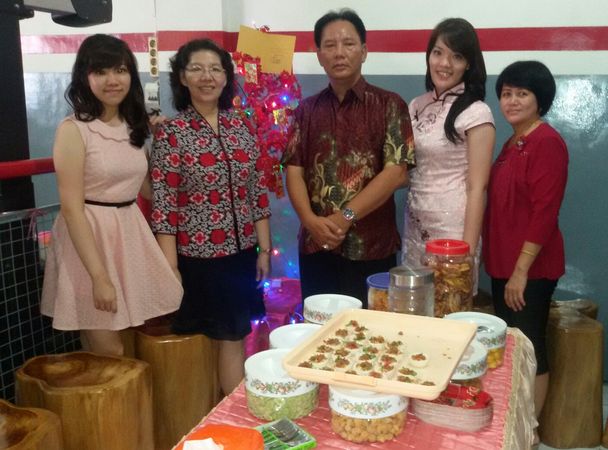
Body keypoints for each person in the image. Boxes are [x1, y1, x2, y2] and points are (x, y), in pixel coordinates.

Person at [40, 34, 183, 355]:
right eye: (100, 71)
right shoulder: (73, 130)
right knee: (110, 349)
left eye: (120, 70)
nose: (112, 80)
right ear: (84, 77)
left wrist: (162, 143)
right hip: (88, 240)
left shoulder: (132, 126)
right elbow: (72, 208)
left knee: (114, 345)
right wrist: (98, 276)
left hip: (127, 232)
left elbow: (147, 190)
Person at [150, 38, 272, 395]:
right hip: (197, 259)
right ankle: (212, 412)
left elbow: (256, 192)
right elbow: (164, 206)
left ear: (226, 77)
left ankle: (230, 412)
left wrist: (264, 249)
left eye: (216, 69)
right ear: (182, 78)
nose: (207, 77)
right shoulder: (173, 134)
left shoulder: (241, 127)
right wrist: (170, 268)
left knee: (234, 335)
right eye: (197, 69)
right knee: (205, 341)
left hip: (241, 254)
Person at [283, 9, 415, 307]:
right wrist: (310, 221)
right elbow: (294, 171)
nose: (339, 53)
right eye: (329, 45)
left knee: (370, 328)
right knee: (318, 326)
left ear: (364, 51)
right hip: (316, 245)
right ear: (319, 55)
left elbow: (396, 172)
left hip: (371, 245)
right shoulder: (306, 111)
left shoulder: (390, 105)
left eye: (348, 43)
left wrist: (345, 217)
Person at [483, 60, 568, 423]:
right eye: (506, 93)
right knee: (512, 346)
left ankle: (528, 429)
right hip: (504, 265)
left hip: (530, 270)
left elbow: (544, 212)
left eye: (522, 93)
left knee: (531, 347)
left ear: (539, 99)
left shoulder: (546, 142)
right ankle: (511, 422)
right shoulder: (513, 142)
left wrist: (521, 272)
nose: (512, 101)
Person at [402, 18, 495, 293]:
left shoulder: (477, 112)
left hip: (452, 228)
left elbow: (478, 187)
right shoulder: (416, 106)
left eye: (457, 56)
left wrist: (467, 254)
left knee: (449, 305)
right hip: (415, 223)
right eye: (438, 52)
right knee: (414, 305)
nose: (444, 63)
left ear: (468, 64)